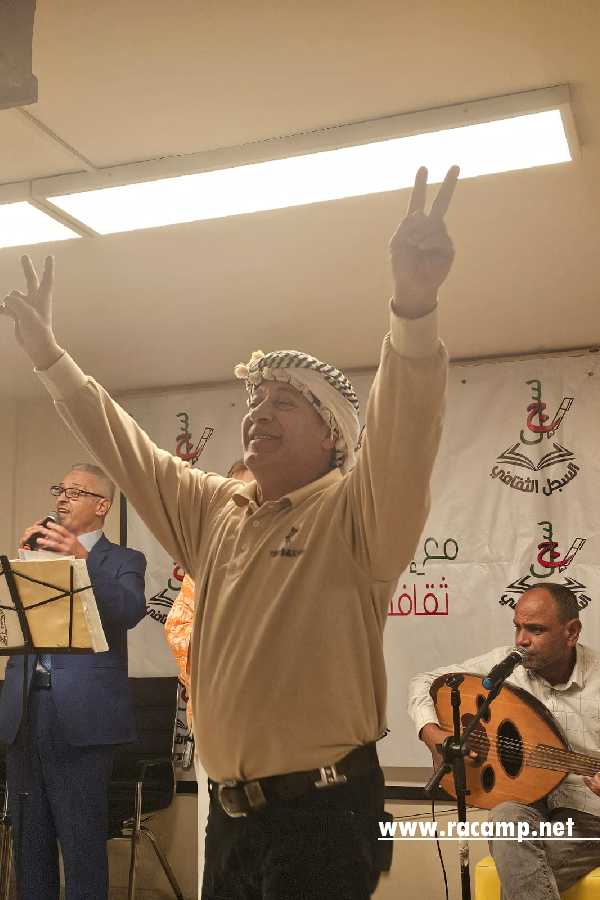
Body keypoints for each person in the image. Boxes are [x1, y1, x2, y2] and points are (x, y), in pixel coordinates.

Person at [1, 164, 458, 899]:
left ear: (334, 438)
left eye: (284, 402)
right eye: (254, 400)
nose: (258, 413)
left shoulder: (359, 511)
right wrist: (50, 359)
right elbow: (127, 449)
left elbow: (406, 431)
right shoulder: (216, 510)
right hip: (232, 815)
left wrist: (413, 305)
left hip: (325, 815)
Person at [0, 463, 147, 900]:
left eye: (75, 491)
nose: (62, 498)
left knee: (82, 845)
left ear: (102, 506)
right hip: (25, 711)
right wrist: (20, 566)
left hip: (83, 719)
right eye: (59, 489)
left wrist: (82, 560)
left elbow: (129, 610)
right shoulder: (36, 555)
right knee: (30, 846)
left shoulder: (122, 560)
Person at [407, 582, 600, 900]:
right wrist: (433, 735)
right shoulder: (507, 666)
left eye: (535, 629)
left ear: (572, 632)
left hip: (587, 812)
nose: (521, 640)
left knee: (522, 873)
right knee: (504, 817)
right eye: (518, 627)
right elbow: (425, 681)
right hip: (528, 802)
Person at [164, 459, 254, 898]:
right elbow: (179, 630)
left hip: (295, 743)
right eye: (241, 496)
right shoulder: (205, 563)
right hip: (223, 732)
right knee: (223, 856)